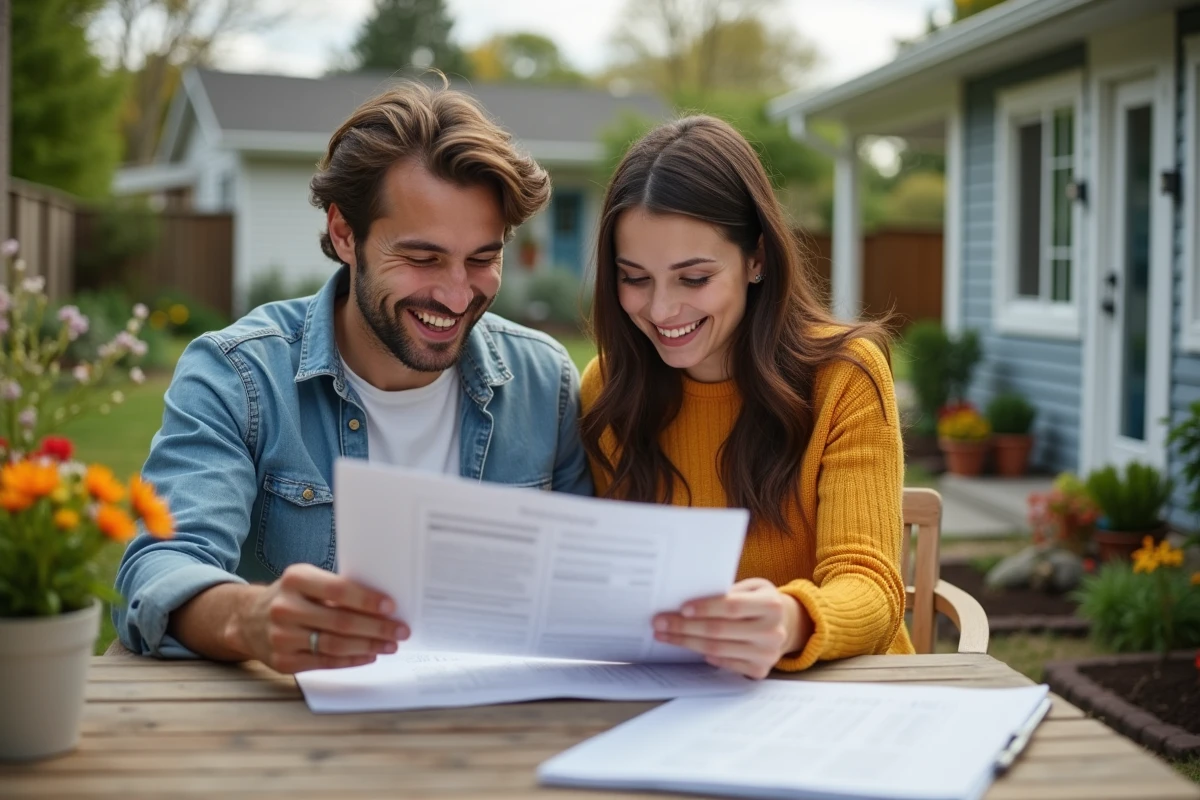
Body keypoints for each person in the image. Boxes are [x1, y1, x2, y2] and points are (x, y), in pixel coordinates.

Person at [114, 80, 592, 673]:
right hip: (289, 742)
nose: (456, 293)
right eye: (422, 258)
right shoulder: (238, 376)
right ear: (345, 234)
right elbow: (159, 568)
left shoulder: (547, 383)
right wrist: (251, 618)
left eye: (482, 259)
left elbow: (593, 590)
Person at [580, 116, 913, 680]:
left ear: (756, 258)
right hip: (674, 703)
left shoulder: (842, 378)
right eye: (635, 277)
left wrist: (789, 620)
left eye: (693, 278)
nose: (661, 311)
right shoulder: (609, 389)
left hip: (844, 695)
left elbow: (871, 585)